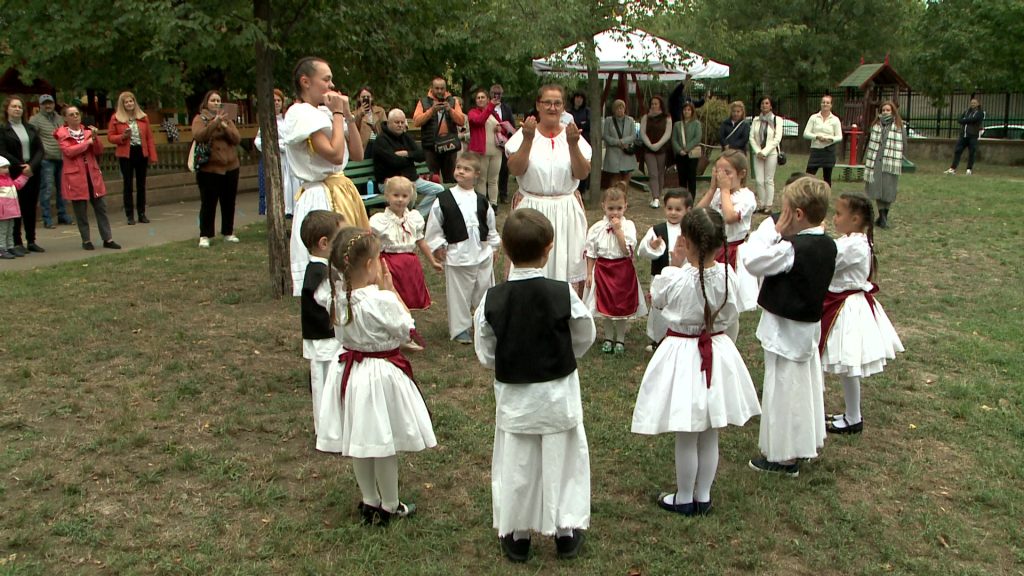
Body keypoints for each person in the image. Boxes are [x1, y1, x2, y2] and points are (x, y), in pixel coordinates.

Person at [474, 208, 595, 563]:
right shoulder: (564, 294)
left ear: (505, 250)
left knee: (517, 464)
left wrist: (507, 359)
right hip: (558, 394)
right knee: (564, 459)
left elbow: (485, 348)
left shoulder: (491, 299)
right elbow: (584, 333)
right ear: (549, 248)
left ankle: (518, 533)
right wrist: (563, 354)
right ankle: (565, 530)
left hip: (516, 398)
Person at [632, 207, 760, 516]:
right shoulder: (728, 276)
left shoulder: (674, 278)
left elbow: (658, 302)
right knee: (709, 431)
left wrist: (675, 265)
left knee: (687, 432)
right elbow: (731, 314)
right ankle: (703, 495)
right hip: (717, 349)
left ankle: (685, 496)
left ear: (686, 242)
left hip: (684, 354)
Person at [316, 227, 436, 526]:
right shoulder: (379, 301)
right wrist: (390, 290)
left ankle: (370, 500)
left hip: (350, 375)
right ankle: (390, 504)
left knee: (361, 440)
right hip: (379, 376)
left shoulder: (336, 297)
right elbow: (406, 328)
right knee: (382, 443)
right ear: (371, 264)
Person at [742, 176, 836, 477]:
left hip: (785, 332)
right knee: (802, 389)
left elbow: (752, 261)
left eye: (784, 211)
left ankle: (784, 458)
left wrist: (773, 231)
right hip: (806, 329)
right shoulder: (828, 244)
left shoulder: (792, 248)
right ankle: (800, 444)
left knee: (783, 392)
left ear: (796, 214)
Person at [821, 192, 904, 434]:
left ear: (855, 219)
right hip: (839, 303)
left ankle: (852, 416)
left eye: (839, 214)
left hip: (846, 308)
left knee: (847, 362)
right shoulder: (852, 241)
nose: (834, 218)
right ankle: (850, 414)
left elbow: (827, 261)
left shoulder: (854, 245)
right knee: (844, 365)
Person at [284, 56, 366, 296]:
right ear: (306, 82)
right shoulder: (300, 113)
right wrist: (337, 114)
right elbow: (334, 154)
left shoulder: (325, 112)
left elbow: (357, 153)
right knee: (328, 260)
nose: (332, 85)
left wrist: (347, 115)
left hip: (342, 190)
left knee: (352, 258)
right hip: (320, 195)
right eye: (326, 79)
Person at [506, 84, 591, 287]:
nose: (552, 108)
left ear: (563, 107)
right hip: (532, 208)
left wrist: (572, 145)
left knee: (566, 266)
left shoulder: (572, 136)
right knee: (530, 263)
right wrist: (528, 140)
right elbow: (515, 169)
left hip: (565, 208)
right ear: (538, 105)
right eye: (547, 103)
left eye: (557, 103)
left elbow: (582, 173)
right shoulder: (525, 134)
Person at [424, 152, 500, 343]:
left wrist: (494, 246)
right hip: (457, 254)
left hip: (482, 252)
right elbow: (434, 226)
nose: (461, 172)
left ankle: (485, 322)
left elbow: (490, 225)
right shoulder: (444, 199)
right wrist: (438, 245)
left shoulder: (482, 200)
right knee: (459, 293)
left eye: (467, 169)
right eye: (459, 168)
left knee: (484, 289)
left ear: (477, 174)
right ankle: (460, 328)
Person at [696, 150, 761, 333]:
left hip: (732, 252)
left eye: (727, 172)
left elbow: (730, 217)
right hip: (713, 249)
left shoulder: (746, 197)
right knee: (709, 294)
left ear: (741, 174)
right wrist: (712, 190)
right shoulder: (717, 194)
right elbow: (697, 214)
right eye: (718, 172)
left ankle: (728, 338)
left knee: (729, 299)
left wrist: (724, 190)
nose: (722, 177)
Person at [583, 182, 647, 355]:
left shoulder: (628, 226)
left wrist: (618, 231)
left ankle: (620, 339)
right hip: (603, 270)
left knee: (621, 307)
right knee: (605, 306)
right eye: (611, 208)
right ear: (603, 206)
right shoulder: (597, 228)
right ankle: (608, 337)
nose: (615, 212)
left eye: (619, 208)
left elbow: (626, 250)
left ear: (625, 206)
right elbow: (591, 252)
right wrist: (589, 273)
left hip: (622, 270)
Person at [299, 209, 346, 436]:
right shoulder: (318, 273)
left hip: (330, 340)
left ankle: (337, 428)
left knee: (334, 384)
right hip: (324, 341)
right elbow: (330, 303)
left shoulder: (326, 269)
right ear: (324, 243)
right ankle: (329, 433)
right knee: (326, 386)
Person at [370, 176, 441, 311]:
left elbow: (421, 241)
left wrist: (432, 261)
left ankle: (408, 321)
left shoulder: (414, 218)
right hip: (389, 264)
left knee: (409, 298)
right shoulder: (379, 221)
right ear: (387, 196)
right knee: (392, 298)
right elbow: (373, 246)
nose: (400, 199)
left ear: (410, 198)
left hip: (410, 264)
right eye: (396, 195)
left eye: (404, 196)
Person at [56, 106, 121, 251]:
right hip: (75, 177)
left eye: (77, 113)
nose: (75, 116)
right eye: (71, 114)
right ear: (65, 118)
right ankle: (86, 240)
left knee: (101, 208)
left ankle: (108, 239)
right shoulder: (62, 134)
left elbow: (98, 151)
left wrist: (95, 138)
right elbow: (68, 151)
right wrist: (87, 143)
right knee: (81, 211)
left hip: (92, 174)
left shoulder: (87, 132)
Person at [637, 188, 693, 351]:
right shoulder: (657, 230)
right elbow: (642, 251)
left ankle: (679, 335)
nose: (673, 213)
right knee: (659, 307)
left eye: (678, 209)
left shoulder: (690, 230)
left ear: (688, 210)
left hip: (684, 276)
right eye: (669, 208)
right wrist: (651, 246)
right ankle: (658, 338)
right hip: (661, 275)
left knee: (680, 305)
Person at [191, 90, 241, 247]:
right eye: (213, 100)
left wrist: (225, 126)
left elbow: (237, 139)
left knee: (229, 202)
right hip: (210, 169)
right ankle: (205, 234)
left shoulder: (227, 119)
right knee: (208, 203)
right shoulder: (200, 118)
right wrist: (214, 123)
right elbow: (199, 135)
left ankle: (228, 232)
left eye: (218, 100)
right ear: (206, 103)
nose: (216, 103)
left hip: (230, 167)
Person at [372, 109, 443, 219]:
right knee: (410, 193)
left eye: (402, 122)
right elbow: (394, 162)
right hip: (390, 182)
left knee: (439, 190)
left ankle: (415, 216)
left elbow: (422, 155)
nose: (400, 125)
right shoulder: (381, 141)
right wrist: (411, 159)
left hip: (412, 179)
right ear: (389, 123)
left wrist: (407, 154)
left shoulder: (406, 137)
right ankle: (406, 218)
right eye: (397, 122)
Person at [0, 95, 45, 255]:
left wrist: (31, 166)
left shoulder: (31, 128)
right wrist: (20, 166)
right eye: (14, 106)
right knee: (15, 207)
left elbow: (40, 150)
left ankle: (31, 240)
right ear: (7, 109)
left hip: (31, 172)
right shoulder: (3, 130)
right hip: (13, 173)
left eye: (20, 107)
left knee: (30, 207)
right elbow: (3, 151)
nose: (17, 109)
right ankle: (17, 242)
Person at [109, 91, 159, 225]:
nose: (129, 104)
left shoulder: (143, 117)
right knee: (128, 185)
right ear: (122, 104)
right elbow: (110, 137)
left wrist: (153, 156)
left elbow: (149, 138)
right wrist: (122, 137)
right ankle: (129, 215)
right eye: (126, 102)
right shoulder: (116, 118)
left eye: (131, 101)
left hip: (141, 152)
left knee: (141, 184)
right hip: (126, 154)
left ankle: (142, 213)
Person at [28, 94, 72, 228]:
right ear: (40, 105)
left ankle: (62, 214)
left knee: (62, 188)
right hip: (46, 159)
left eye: (50, 103)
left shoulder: (60, 118)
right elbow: (32, 139)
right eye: (44, 103)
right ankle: (47, 218)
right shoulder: (35, 120)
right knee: (47, 188)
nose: (48, 106)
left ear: (54, 104)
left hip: (61, 157)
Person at [254, 88, 299, 219]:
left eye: (279, 100)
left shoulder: (288, 120)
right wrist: (276, 146)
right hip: (276, 159)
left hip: (290, 159)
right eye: (274, 100)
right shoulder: (267, 121)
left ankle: (291, 212)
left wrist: (287, 145)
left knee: (291, 185)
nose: (277, 103)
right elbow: (259, 141)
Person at [412, 77, 465, 183]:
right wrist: (431, 111)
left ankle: (448, 194)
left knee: (450, 179)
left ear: (445, 89)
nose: (440, 91)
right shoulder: (423, 102)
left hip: (449, 145)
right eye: (437, 88)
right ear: (432, 88)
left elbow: (461, 121)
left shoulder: (453, 101)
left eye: (442, 88)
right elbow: (416, 122)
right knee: (433, 179)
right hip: (431, 146)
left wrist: (450, 110)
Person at [863, 100, 905, 230]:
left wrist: (899, 157)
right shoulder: (876, 125)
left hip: (891, 162)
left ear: (893, 111)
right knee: (877, 189)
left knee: (888, 190)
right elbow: (870, 142)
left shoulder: (899, 126)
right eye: (883, 110)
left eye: (888, 110)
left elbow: (904, 143)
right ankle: (882, 217)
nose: (885, 112)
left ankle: (883, 217)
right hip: (876, 161)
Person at [467, 89, 505, 207]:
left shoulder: (494, 114)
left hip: (496, 151)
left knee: (493, 179)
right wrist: (490, 107)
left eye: (483, 97)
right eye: (478, 98)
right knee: (481, 179)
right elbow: (479, 121)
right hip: (481, 152)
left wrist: (500, 129)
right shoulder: (473, 113)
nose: (480, 99)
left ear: (487, 99)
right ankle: (482, 205)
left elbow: (502, 127)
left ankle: (493, 204)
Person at [749, 96, 785, 214]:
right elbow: (751, 137)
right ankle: (762, 203)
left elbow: (777, 138)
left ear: (771, 106)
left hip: (771, 153)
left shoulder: (777, 120)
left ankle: (769, 205)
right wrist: (758, 151)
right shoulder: (756, 120)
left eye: (766, 103)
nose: (764, 105)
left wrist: (765, 152)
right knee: (759, 180)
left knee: (768, 179)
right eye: (762, 103)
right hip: (757, 153)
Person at [640, 95, 673, 209]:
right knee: (653, 173)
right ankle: (655, 197)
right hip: (648, 149)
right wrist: (650, 145)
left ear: (660, 105)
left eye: (656, 104)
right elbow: (642, 133)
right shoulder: (645, 117)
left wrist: (658, 145)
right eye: (652, 104)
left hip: (662, 149)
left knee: (660, 173)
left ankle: (658, 195)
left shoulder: (667, 117)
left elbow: (667, 133)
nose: (654, 106)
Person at [803, 95, 843, 186]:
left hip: (828, 150)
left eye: (827, 103)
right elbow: (806, 133)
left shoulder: (835, 120)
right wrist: (817, 137)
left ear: (831, 105)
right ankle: (808, 193)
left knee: (827, 178)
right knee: (808, 177)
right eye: (823, 102)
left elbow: (839, 136)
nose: (825, 104)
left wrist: (831, 139)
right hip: (816, 150)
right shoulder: (813, 118)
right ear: (821, 104)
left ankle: (826, 194)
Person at [601, 99, 638, 190]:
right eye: (617, 108)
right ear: (614, 110)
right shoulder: (609, 120)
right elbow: (605, 136)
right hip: (613, 153)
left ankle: (624, 196)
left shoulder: (630, 120)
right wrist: (618, 142)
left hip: (626, 153)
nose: (620, 110)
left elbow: (633, 136)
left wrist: (623, 141)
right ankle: (614, 196)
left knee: (626, 178)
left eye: (622, 108)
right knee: (614, 178)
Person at [945, 97, 985, 176]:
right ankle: (953, 169)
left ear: (978, 104)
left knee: (971, 152)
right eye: (972, 103)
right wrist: (966, 120)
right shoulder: (967, 111)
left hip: (973, 136)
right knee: (958, 151)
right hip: (963, 135)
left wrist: (965, 120)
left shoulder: (980, 113)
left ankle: (969, 169)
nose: (973, 104)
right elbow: (959, 120)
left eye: (974, 103)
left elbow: (974, 119)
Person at [0, 157, 29, 259]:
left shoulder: (8, 180)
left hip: (10, 211)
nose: (7, 170)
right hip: (2, 212)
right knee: (2, 231)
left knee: (10, 231)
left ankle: (10, 247)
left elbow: (17, 185)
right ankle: (2, 249)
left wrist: (25, 176)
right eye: (4, 167)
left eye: (7, 167)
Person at [672, 102, 702, 197]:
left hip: (692, 155)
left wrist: (687, 149)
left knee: (691, 178)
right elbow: (674, 139)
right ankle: (683, 197)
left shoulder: (696, 124)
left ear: (692, 111)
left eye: (689, 110)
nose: (686, 112)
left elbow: (697, 138)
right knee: (682, 178)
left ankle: (691, 198)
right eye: (685, 110)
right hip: (680, 155)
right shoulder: (677, 125)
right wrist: (679, 150)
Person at [567, 91, 591, 195]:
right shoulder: (569, 112)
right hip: (570, 142)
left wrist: (579, 126)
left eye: (581, 98)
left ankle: (582, 191)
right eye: (577, 97)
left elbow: (587, 125)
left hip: (584, 142)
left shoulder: (587, 111)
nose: (579, 99)